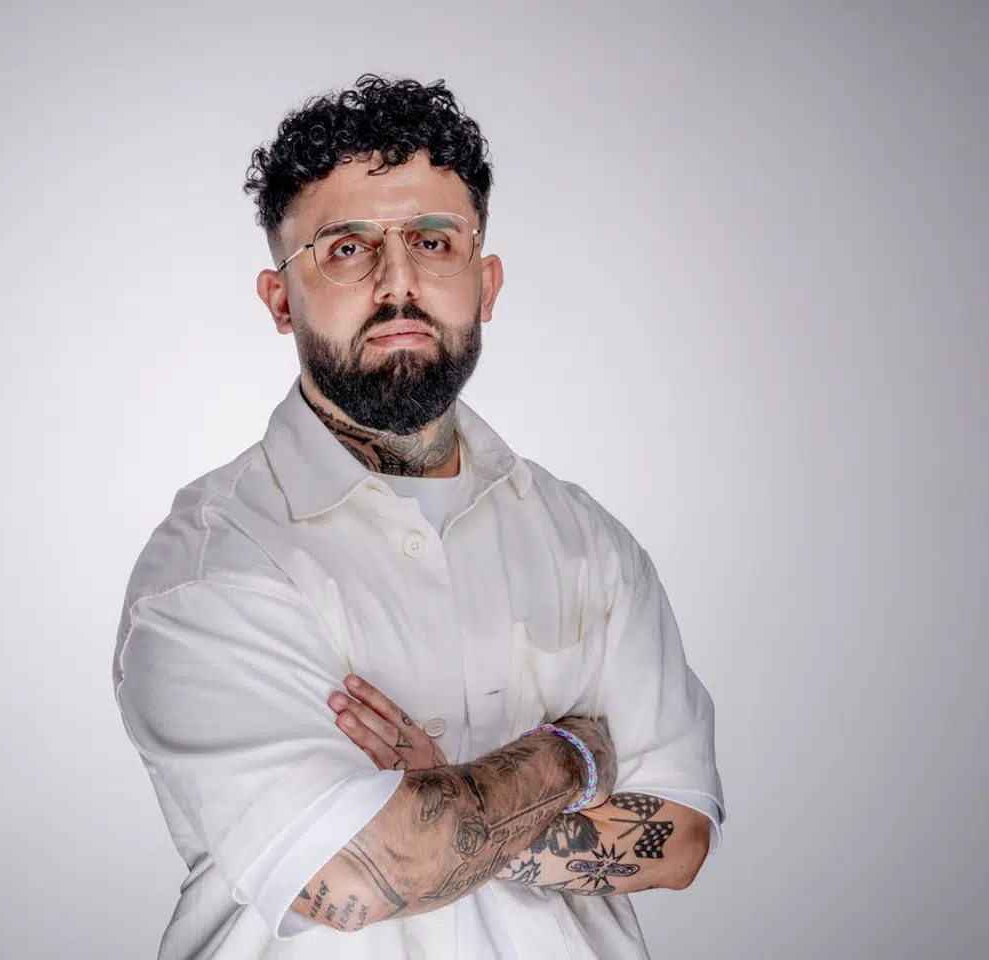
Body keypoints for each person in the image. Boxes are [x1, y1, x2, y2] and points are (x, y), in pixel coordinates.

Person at [112, 74, 725, 959]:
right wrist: (571, 756)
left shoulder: (586, 542)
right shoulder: (211, 565)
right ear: (280, 299)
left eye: (433, 242)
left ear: (485, 281)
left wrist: (445, 804)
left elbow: (681, 838)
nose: (398, 282)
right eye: (347, 248)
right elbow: (354, 873)